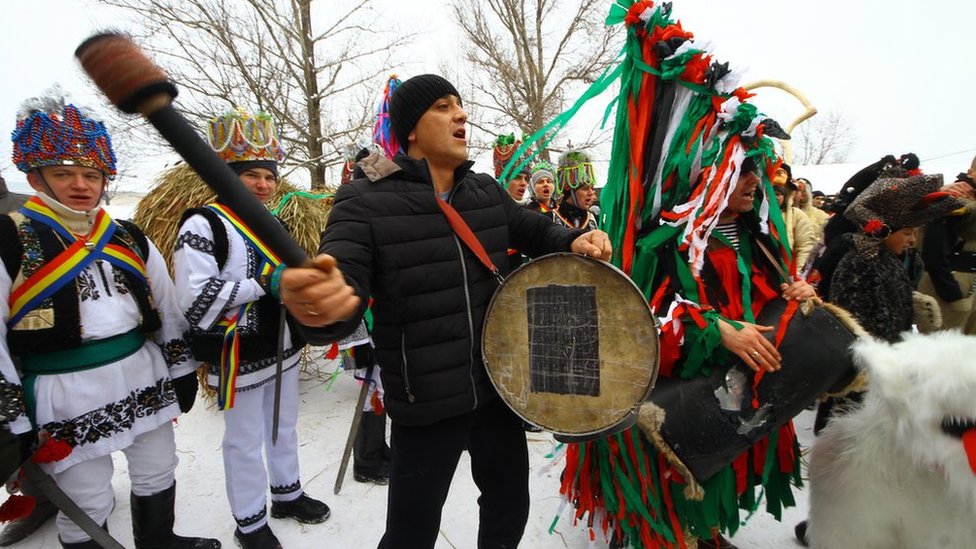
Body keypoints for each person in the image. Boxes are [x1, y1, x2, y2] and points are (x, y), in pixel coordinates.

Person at [278, 73, 612, 549]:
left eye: (460, 104)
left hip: (497, 390)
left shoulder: (484, 192)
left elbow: (537, 232)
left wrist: (574, 238)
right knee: (410, 533)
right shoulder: (364, 201)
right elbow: (343, 288)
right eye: (442, 106)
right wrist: (318, 308)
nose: (461, 114)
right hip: (426, 402)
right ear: (411, 127)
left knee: (508, 508)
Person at [0, 95, 218, 549]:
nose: (81, 185)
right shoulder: (10, 237)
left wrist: (180, 370)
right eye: (64, 174)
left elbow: (167, 308)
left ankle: (160, 540)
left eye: (91, 174)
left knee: (158, 466)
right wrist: (11, 420)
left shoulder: (126, 235)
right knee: (87, 493)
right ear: (35, 177)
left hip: (140, 373)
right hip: (64, 391)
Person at [172, 110, 329, 549]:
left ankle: (287, 492)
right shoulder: (202, 224)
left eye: (268, 176)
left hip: (283, 345)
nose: (262, 184)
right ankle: (249, 520)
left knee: (283, 424)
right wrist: (264, 284)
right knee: (243, 439)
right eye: (251, 176)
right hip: (237, 351)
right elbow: (195, 297)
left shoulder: (271, 222)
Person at [794, 166, 961, 546]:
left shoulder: (888, 261)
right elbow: (858, 325)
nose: (912, 239)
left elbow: (890, 310)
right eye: (906, 232)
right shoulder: (859, 261)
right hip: (858, 381)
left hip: (882, 379)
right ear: (883, 229)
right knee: (844, 459)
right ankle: (823, 526)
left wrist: (912, 306)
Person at [917, 156, 976, 334]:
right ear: (971, 172)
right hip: (952, 279)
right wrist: (951, 291)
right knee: (943, 351)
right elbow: (932, 249)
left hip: (967, 282)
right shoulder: (953, 196)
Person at [770, 165, 816, 272]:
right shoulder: (754, 215)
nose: (774, 197)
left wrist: (796, 275)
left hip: (787, 274)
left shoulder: (797, 216)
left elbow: (805, 248)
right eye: (770, 192)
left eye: (778, 193)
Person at [554, 149, 599, 230]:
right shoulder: (551, 219)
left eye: (592, 188)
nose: (591, 193)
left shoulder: (593, 219)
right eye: (585, 189)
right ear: (567, 187)